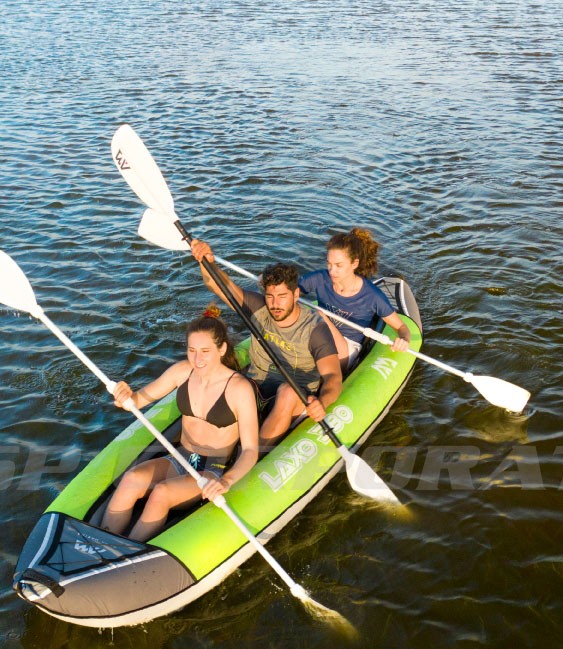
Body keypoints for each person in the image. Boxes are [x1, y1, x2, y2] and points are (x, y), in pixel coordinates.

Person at [101, 306, 258, 541]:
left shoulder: (239, 388)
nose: (197, 358)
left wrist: (226, 481)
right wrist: (124, 396)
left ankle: (127, 554)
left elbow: (250, 451)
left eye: (205, 351)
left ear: (222, 348)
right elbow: (137, 400)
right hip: (181, 456)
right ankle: (100, 540)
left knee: (161, 493)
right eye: (192, 350)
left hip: (212, 469)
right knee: (132, 478)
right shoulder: (181, 372)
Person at [189, 239, 342, 447]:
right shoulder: (259, 308)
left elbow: (333, 377)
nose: (275, 304)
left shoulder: (314, 329)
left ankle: (253, 457)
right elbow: (217, 285)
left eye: (282, 296)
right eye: (270, 296)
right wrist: (206, 261)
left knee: (287, 392)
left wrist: (322, 402)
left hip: (295, 396)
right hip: (256, 387)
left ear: (296, 294)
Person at [299, 228, 412, 370]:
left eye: (339, 265)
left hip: (346, 347)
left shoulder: (373, 296)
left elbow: (401, 327)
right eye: (329, 264)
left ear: (354, 264)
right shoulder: (321, 278)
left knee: (317, 313)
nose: (332, 271)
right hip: (320, 334)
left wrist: (404, 339)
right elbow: (291, 291)